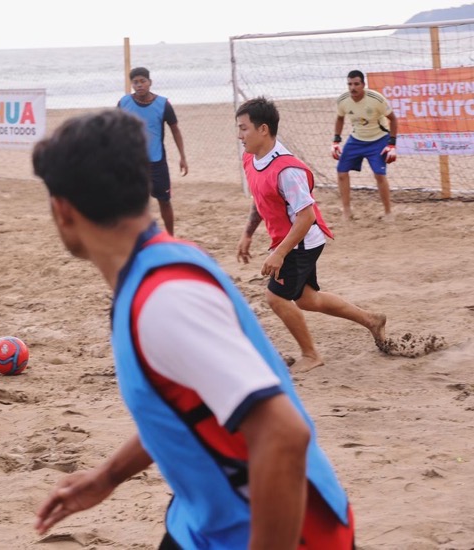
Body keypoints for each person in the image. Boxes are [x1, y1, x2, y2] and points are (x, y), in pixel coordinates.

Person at [32, 108, 356, 549]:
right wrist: (107, 476)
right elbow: (185, 404)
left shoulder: (166, 300)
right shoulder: (163, 262)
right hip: (200, 523)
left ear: (63, 211)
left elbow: (283, 434)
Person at [235, 96, 386, 373]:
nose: (239, 135)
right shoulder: (251, 158)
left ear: (263, 129)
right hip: (292, 240)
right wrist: (247, 234)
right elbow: (261, 198)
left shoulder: (287, 169)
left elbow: (307, 216)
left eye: (244, 128)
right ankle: (371, 319)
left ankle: (311, 354)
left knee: (276, 297)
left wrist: (280, 253)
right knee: (307, 300)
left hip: (301, 241)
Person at [118, 66, 188, 236]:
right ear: (132, 84)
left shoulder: (163, 104)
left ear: (150, 82)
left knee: (164, 201)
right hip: (133, 162)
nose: (139, 85)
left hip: (157, 162)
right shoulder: (123, 103)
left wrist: (182, 157)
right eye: (135, 82)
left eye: (143, 81)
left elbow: (175, 130)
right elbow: (116, 128)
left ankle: (170, 237)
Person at [332, 69, 398, 220]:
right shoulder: (343, 100)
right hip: (357, 139)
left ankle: (388, 212)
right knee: (341, 172)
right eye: (349, 84)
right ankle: (347, 211)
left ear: (363, 84)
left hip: (379, 139)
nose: (352, 88)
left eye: (356, 84)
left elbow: (393, 119)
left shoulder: (376, 99)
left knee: (379, 175)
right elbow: (340, 118)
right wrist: (336, 140)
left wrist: (392, 144)